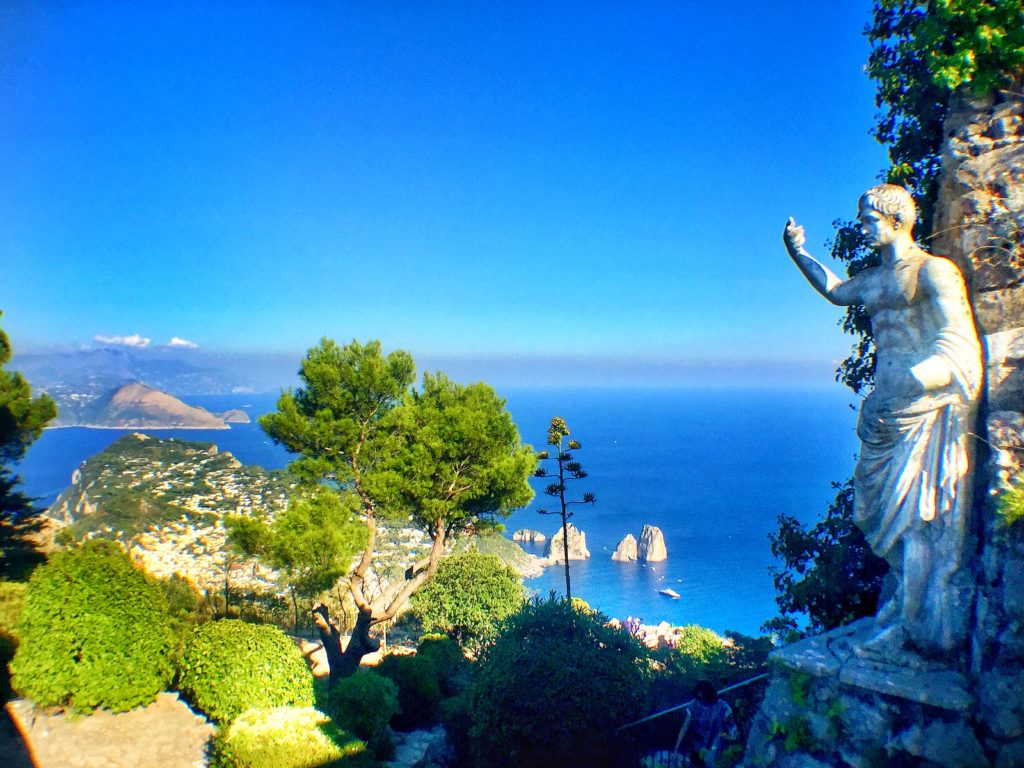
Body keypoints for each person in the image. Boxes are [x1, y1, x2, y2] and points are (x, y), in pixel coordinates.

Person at [783, 184, 982, 655]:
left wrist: (919, 378)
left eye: (868, 219)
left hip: (921, 410)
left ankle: (912, 625)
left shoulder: (935, 272)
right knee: (877, 517)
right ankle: (903, 606)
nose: (862, 227)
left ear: (895, 220)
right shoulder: (873, 279)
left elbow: (959, 343)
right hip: (883, 414)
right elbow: (834, 290)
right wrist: (798, 253)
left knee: (917, 520)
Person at [672, 680, 738, 767]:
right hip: (697, 748)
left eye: (701, 698)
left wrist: (726, 737)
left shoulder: (722, 707)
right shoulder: (694, 705)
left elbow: (732, 729)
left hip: (715, 749)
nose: (700, 700)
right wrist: (676, 749)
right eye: (698, 697)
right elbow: (685, 726)